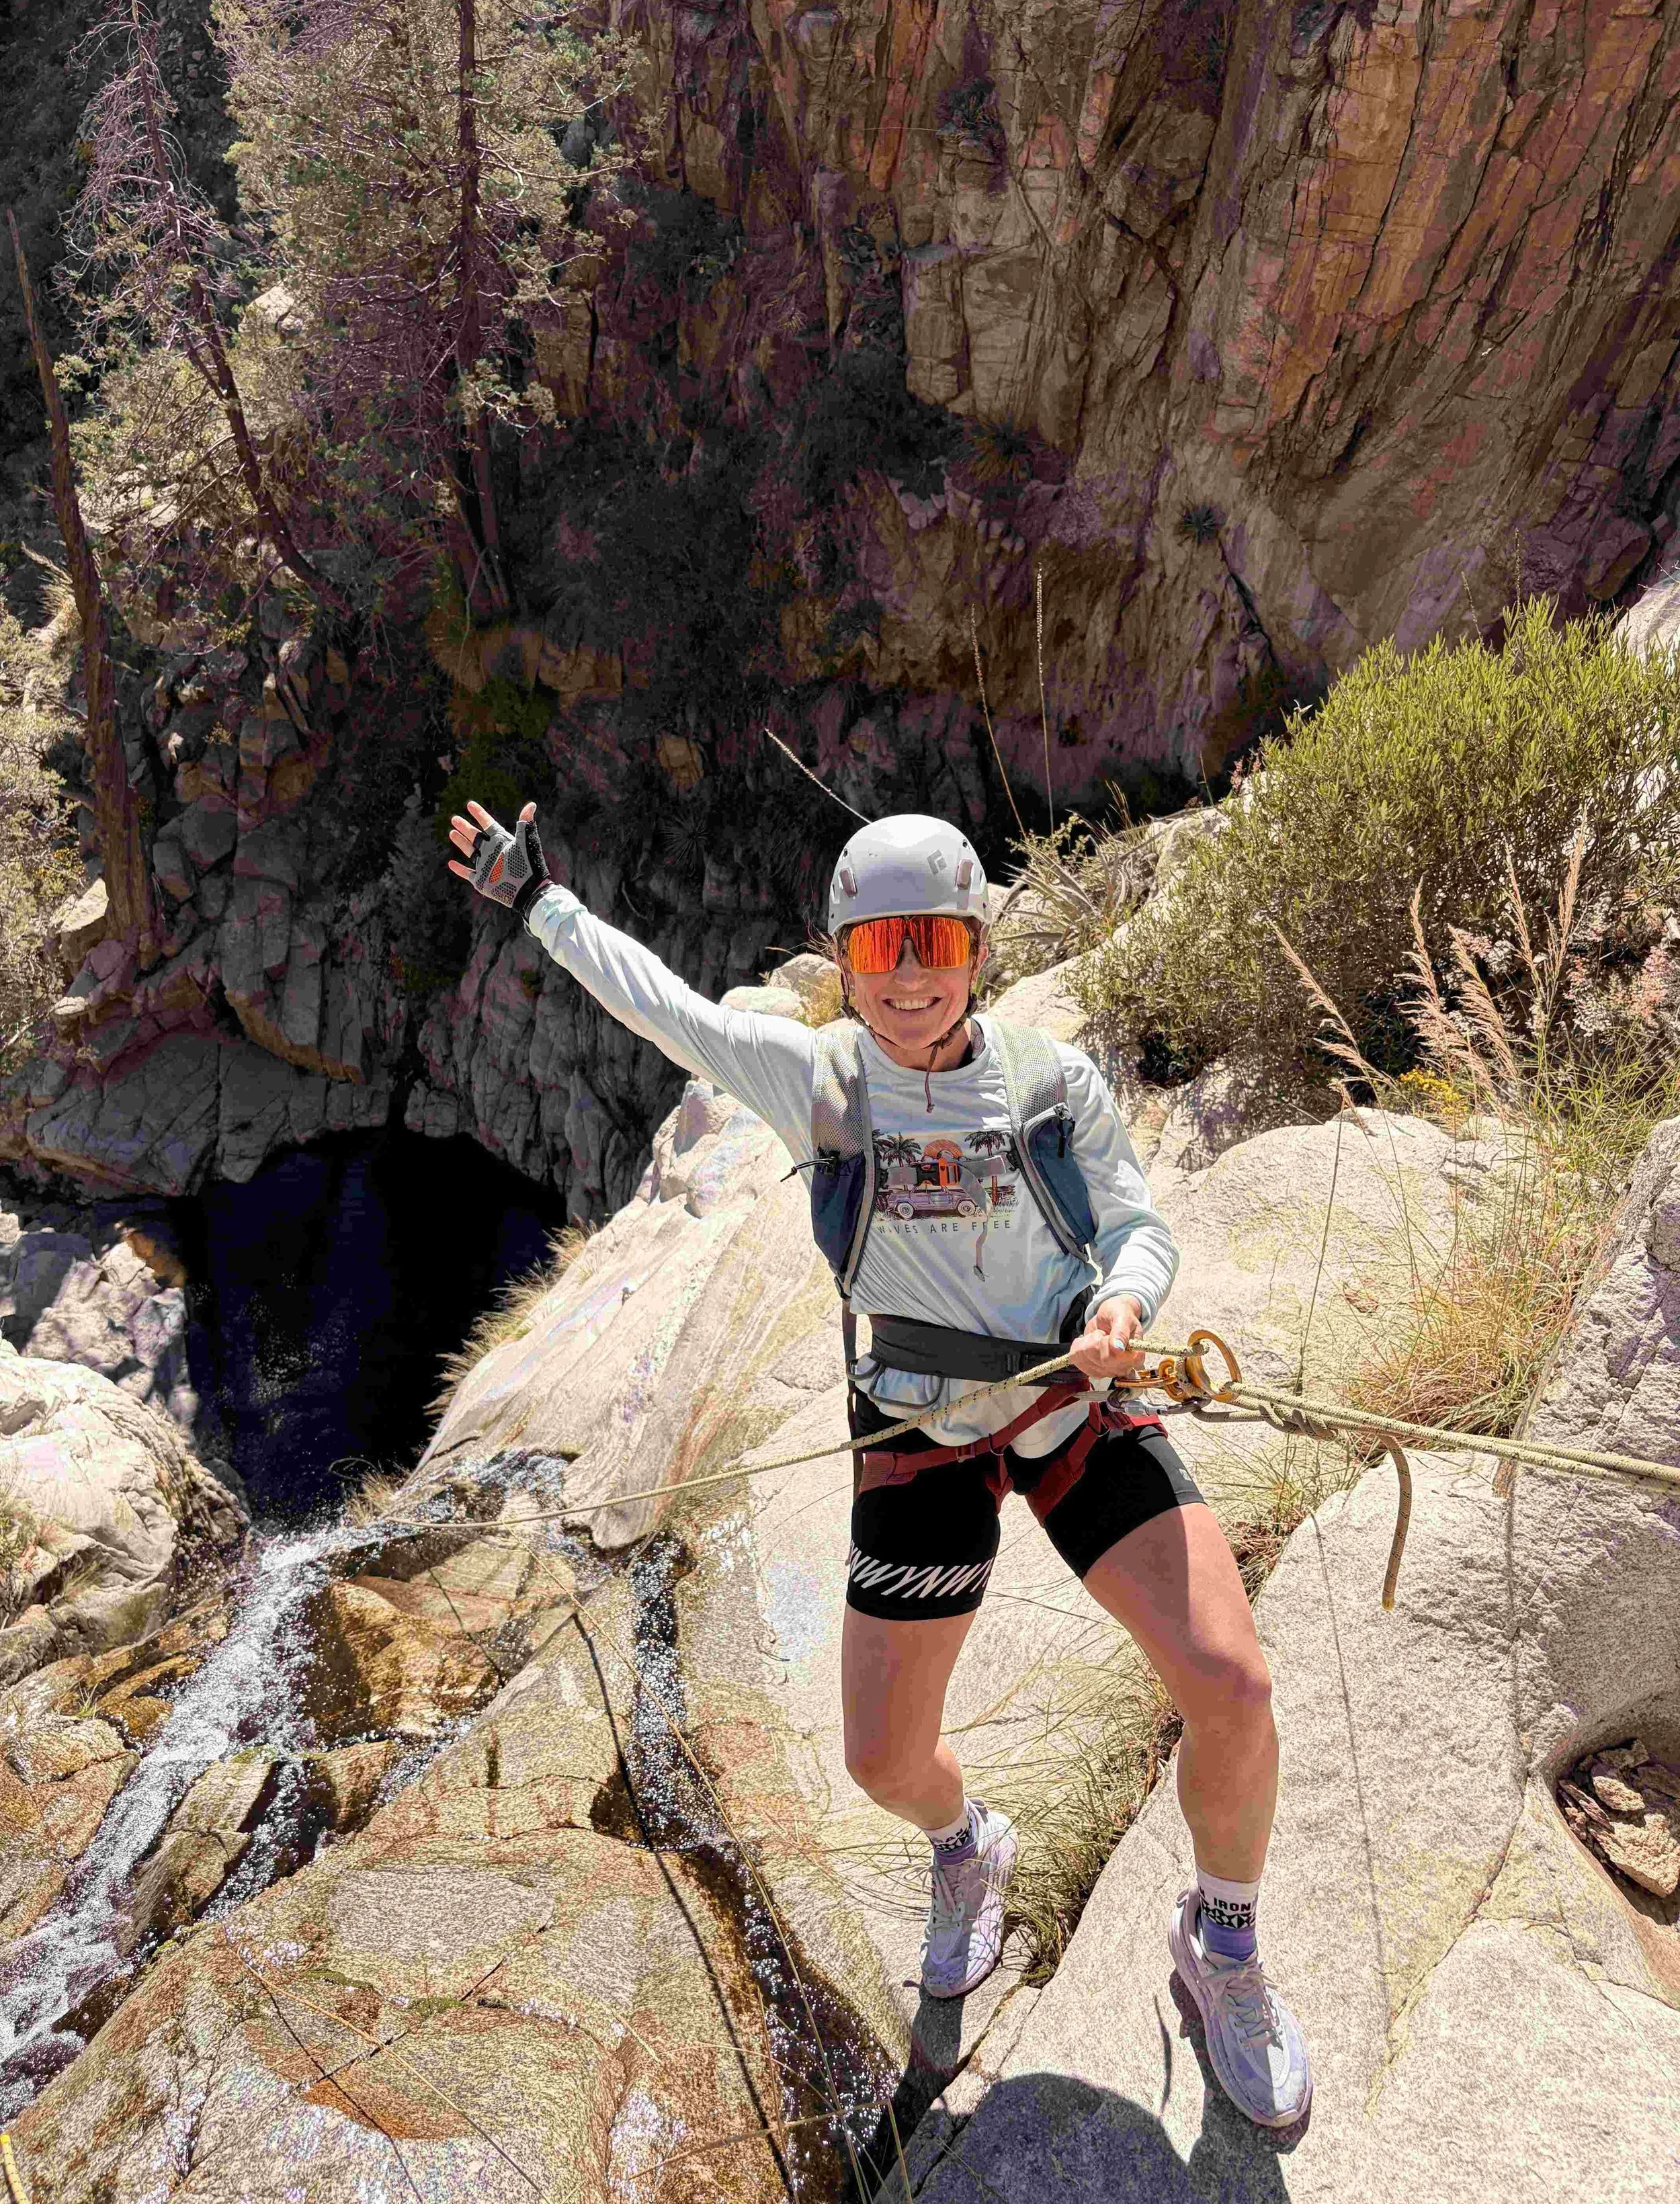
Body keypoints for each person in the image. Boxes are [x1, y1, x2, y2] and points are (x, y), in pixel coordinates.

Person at [448, 799, 1312, 2129]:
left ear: (975, 949)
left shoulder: (1047, 1082)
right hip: (916, 1429)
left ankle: (1225, 1942)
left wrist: (1122, 1303)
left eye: (935, 943)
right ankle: (967, 1848)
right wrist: (537, 903)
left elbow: (1135, 1224)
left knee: (1232, 1684)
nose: (909, 976)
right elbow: (663, 1006)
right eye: (878, 947)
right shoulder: (818, 1082)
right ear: (843, 959)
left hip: (1066, 1396)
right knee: (882, 1763)